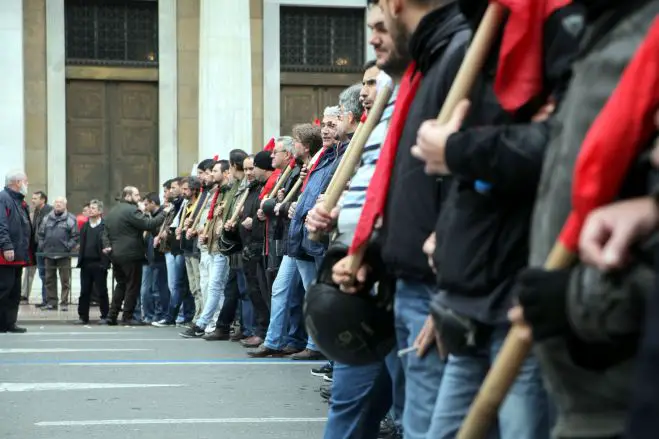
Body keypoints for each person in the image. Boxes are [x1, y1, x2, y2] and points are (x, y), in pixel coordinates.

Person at [103, 186, 165, 325]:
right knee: (132, 286)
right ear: (128, 196)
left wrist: (107, 245)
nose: (139, 198)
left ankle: (112, 316)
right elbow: (149, 224)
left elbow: (105, 231)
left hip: (116, 254)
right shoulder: (131, 210)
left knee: (121, 285)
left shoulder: (113, 211)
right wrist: (164, 213)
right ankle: (127, 317)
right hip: (131, 254)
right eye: (136, 195)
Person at [0, 170, 33, 333]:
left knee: (14, 291)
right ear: (17, 182)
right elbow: (1, 224)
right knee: (4, 289)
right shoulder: (3, 198)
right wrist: (6, 246)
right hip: (6, 255)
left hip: (18, 254)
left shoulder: (19, 201)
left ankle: (9, 323)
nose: (27, 184)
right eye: (25, 182)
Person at [38, 196, 78, 311]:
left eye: (61, 202)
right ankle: (52, 302)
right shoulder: (47, 218)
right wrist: (43, 246)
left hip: (64, 255)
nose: (58, 204)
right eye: (56, 202)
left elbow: (75, 237)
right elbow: (40, 234)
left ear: (65, 205)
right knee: (49, 279)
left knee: (65, 280)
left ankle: (64, 303)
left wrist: (67, 247)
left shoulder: (71, 218)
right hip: (48, 253)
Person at [76, 199, 110, 324]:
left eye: (93, 208)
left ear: (100, 211)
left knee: (102, 291)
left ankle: (105, 315)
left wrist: (106, 262)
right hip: (86, 263)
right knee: (84, 291)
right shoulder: (85, 226)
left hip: (99, 263)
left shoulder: (104, 226)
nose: (90, 210)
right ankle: (83, 316)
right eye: (90, 208)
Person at [24, 190, 51, 305]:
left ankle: (47, 300)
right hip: (35, 248)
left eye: (35, 198)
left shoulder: (49, 211)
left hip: (44, 249)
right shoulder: (36, 211)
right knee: (39, 273)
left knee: (45, 274)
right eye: (33, 198)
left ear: (43, 200)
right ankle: (42, 299)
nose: (32, 200)